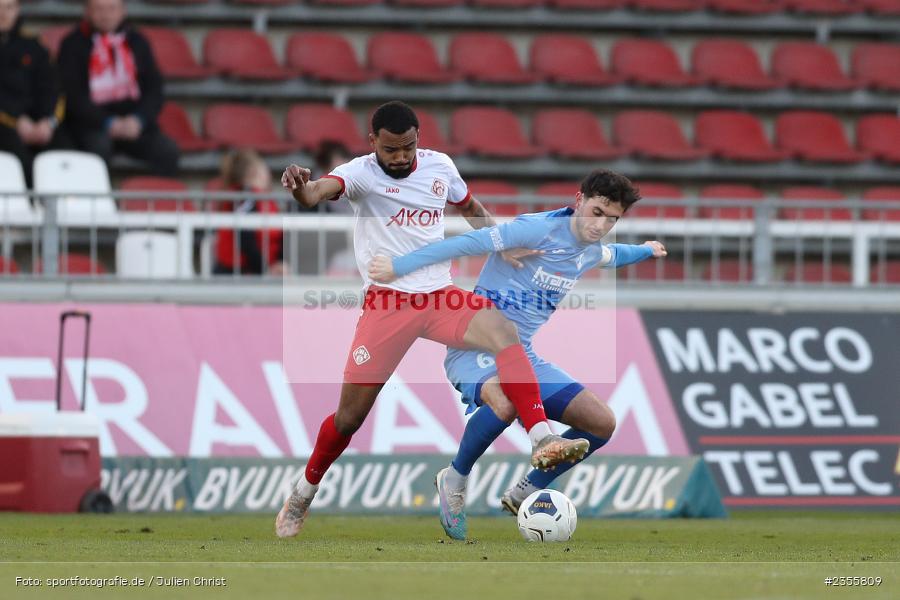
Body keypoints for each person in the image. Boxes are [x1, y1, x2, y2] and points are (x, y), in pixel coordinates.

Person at [275, 100, 589, 538]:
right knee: (349, 420)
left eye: (408, 147)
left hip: (440, 297)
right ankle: (303, 494)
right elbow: (314, 194)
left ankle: (542, 438)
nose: (401, 157)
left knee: (503, 330)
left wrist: (506, 242)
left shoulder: (440, 166)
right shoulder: (360, 173)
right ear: (373, 144)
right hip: (388, 305)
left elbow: (470, 206)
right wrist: (299, 187)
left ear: (418, 139)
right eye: (391, 150)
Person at [368, 169, 667, 539]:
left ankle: (525, 490)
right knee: (506, 400)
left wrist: (646, 250)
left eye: (613, 219)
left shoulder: (587, 251)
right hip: (474, 346)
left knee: (602, 423)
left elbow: (615, 254)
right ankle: (455, 478)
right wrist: (399, 266)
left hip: (521, 357)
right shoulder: (534, 230)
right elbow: (463, 244)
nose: (601, 224)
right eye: (597, 211)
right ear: (579, 200)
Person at [58, 0, 178, 175]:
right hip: (91, 125)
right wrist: (108, 122)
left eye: (112, 9)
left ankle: (153, 201)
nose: (106, 15)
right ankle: (99, 202)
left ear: (123, 11)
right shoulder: (72, 44)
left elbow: (154, 90)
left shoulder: (137, 41)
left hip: (134, 124)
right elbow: (73, 97)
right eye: (99, 9)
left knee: (167, 151)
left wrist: (139, 120)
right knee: (97, 151)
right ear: (87, 12)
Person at [0, 0, 65, 186]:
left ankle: (64, 210)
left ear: (17, 10)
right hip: (6, 122)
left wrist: (48, 122)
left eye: (9, 7)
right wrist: (16, 120)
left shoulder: (34, 44)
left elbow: (53, 87)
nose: (3, 13)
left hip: (37, 122)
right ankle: (28, 208)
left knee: (65, 150)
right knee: (17, 154)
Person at [213, 149, 286, 277]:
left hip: (257, 271)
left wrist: (279, 262)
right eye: (265, 168)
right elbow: (246, 239)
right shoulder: (244, 198)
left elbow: (279, 237)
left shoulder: (263, 199)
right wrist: (265, 270)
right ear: (255, 172)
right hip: (235, 274)